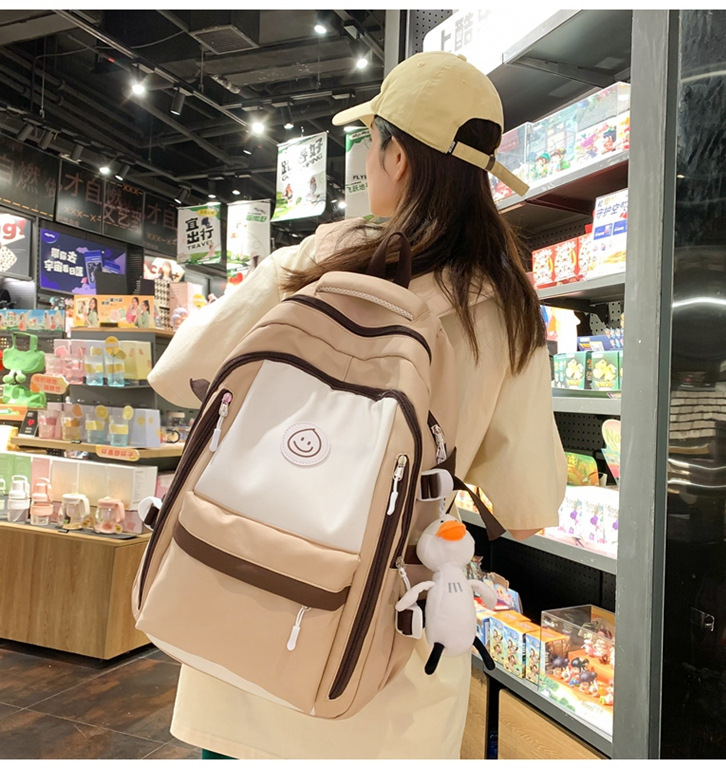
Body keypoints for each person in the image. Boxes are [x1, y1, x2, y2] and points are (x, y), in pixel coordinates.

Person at [148, 50, 566, 760]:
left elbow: (180, 371)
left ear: (396, 155)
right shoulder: (508, 310)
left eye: (372, 141)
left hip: (241, 628)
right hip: (384, 669)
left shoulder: (320, 259)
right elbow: (528, 505)